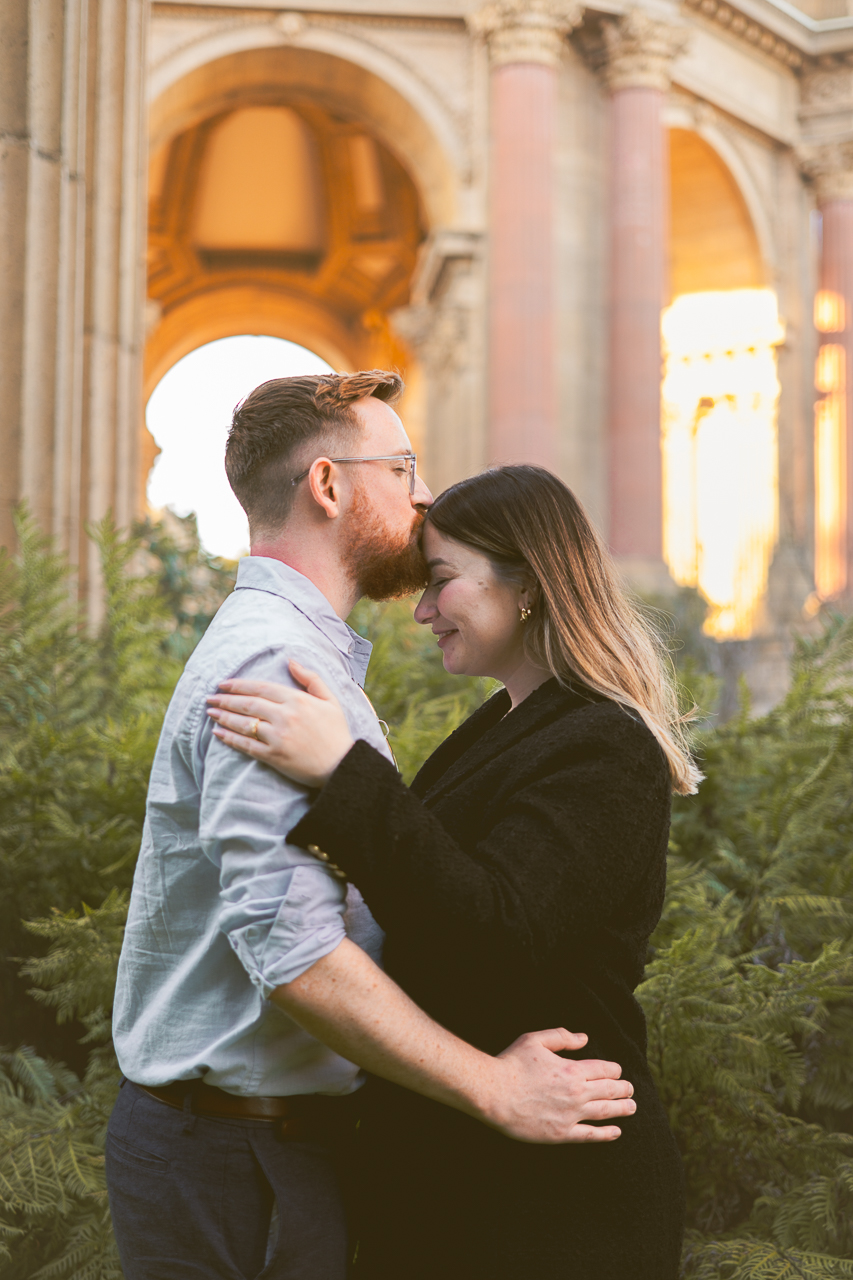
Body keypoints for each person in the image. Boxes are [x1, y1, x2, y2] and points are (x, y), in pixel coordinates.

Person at [107, 373, 637, 1280]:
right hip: (236, 1159)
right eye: (401, 467)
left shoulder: (307, 659)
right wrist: (493, 1087)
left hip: (258, 1150)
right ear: (327, 485)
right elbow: (295, 952)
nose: (421, 494)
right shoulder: (278, 663)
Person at [206, 462, 701, 1280]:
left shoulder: (604, 743)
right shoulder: (508, 723)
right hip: (468, 1171)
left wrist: (343, 770)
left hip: (554, 1193)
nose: (423, 611)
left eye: (441, 582)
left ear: (529, 583)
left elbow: (498, 927)